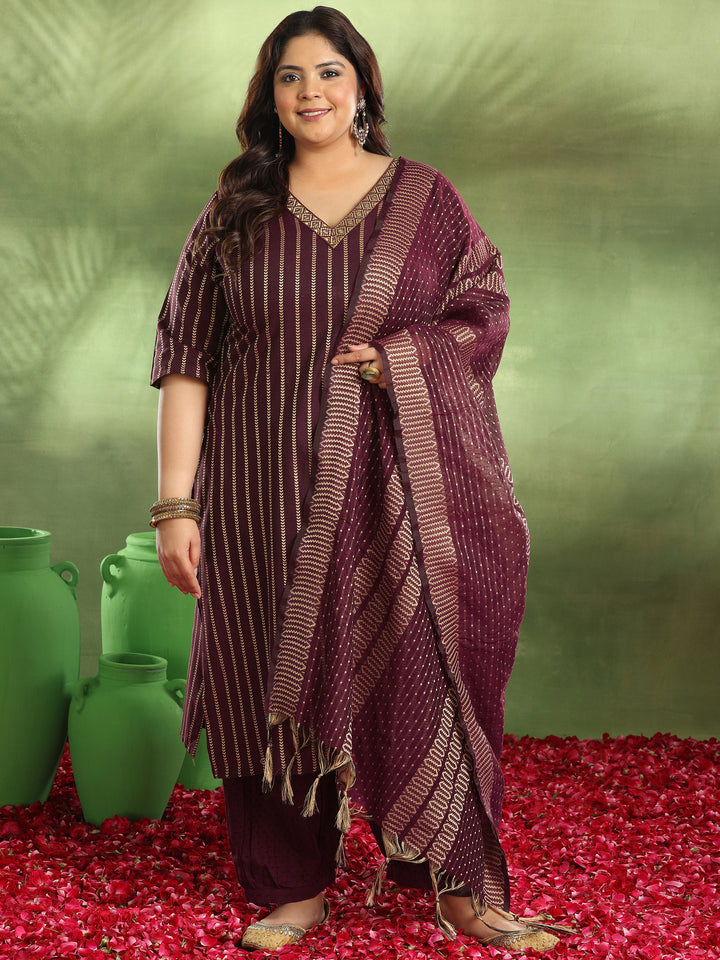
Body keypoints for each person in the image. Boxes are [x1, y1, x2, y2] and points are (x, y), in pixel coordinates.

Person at [151, 6, 566, 953]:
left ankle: (456, 887)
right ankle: (291, 888)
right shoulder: (234, 213)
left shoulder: (425, 200)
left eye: (329, 72)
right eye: (290, 76)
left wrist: (401, 358)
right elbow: (185, 359)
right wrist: (175, 502)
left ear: (363, 86)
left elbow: (483, 310)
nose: (311, 92)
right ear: (269, 98)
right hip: (258, 490)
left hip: (396, 493)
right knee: (266, 672)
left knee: (420, 667)